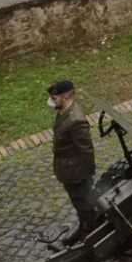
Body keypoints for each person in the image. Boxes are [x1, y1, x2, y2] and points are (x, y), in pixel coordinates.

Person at [47, 78, 98, 245]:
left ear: (66, 98)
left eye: (55, 98)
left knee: (84, 203)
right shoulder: (63, 112)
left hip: (76, 173)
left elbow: (86, 151)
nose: (52, 101)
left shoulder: (76, 120)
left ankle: (89, 231)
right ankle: (84, 227)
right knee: (78, 203)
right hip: (67, 170)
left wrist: (86, 175)